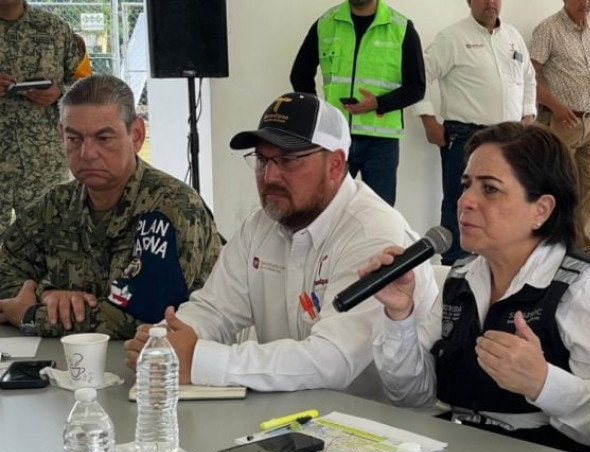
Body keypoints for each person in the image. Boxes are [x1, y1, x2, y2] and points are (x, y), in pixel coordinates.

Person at [124, 92, 436, 398]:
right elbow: (215, 310)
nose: (269, 175)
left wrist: (198, 360)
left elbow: (331, 362)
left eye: (288, 160)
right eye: (262, 159)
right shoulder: (260, 225)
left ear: (335, 165)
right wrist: (167, 340)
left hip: (380, 429)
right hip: (293, 418)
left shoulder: (372, 232)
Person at [363, 122, 590, 452]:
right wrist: (400, 316)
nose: (465, 201)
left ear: (541, 210)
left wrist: (544, 383)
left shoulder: (585, 289)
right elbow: (410, 396)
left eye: (490, 190)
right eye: (466, 185)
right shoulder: (463, 277)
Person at [0, 75, 221, 339]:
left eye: (104, 139)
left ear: (136, 135)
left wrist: (30, 315)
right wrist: (45, 295)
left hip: (159, 366)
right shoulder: (56, 204)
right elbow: (5, 267)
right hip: (70, 363)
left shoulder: (172, 206)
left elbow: (147, 314)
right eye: (74, 139)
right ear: (61, 135)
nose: (87, 153)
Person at [411, 0, 536, 265]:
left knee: (506, 201)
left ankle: (497, 265)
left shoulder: (513, 38)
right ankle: (454, 271)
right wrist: (428, 119)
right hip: (466, 138)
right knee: (462, 204)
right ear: (469, 2)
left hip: (509, 139)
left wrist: (528, 115)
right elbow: (419, 75)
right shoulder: (452, 38)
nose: (490, 3)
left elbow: (528, 78)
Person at [289, 0, 425, 206]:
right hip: (336, 138)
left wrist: (379, 103)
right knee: (328, 211)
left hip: (381, 142)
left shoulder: (401, 27)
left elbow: (417, 87)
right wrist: (319, 116)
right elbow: (299, 75)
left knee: (380, 214)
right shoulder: (326, 23)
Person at [530, 0, 590, 256]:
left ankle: (584, 250)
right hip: (558, 122)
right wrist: (556, 107)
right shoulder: (548, 29)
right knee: (557, 188)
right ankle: (554, 251)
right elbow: (527, 77)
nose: (586, 4)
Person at [0, 0, 81, 233]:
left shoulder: (54, 29)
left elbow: (84, 85)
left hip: (42, 164)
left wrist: (59, 93)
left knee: (49, 243)